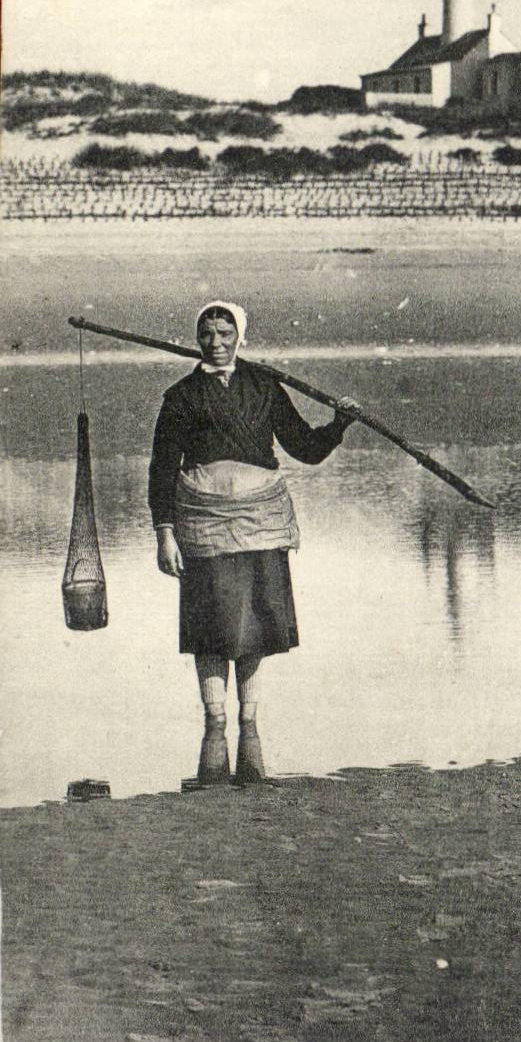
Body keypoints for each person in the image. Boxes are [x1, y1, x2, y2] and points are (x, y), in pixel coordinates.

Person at [149, 301, 357, 781]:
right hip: (203, 525)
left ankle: (249, 722)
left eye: (225, 333)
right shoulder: (180, 397)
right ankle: (215, 717)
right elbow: (161, 470)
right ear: (198, 337)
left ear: (240, 336)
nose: (216, 343)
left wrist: (339, 425)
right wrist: (165, 533)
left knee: (256, 625)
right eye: (208, 334)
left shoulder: (265, 385)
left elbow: (302, 447)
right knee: (211, 624)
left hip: (262, 519)